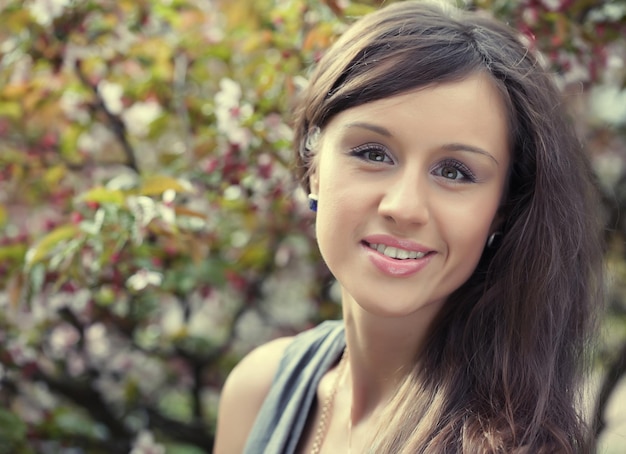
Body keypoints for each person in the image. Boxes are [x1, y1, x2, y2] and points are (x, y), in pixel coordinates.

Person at [214, 1, 604, 453]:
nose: (404, 207)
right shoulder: (259, 391)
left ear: (502, 209)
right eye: (373, 154)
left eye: (455, 171)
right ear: (315, 166)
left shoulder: (511, 444)